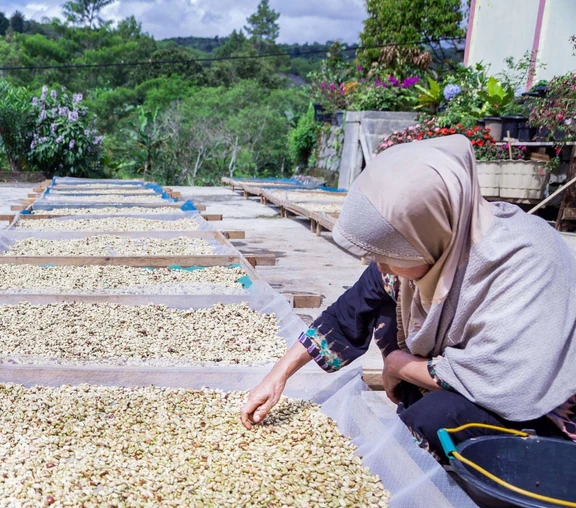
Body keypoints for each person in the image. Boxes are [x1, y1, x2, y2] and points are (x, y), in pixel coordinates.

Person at [241, 135, 576, 461]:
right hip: (476, 379)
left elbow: (503, 381)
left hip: (539, 412)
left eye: (392, 252)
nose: (380, 263)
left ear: (429, 229)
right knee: (387, 303)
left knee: (435, 417)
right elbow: (346, 314)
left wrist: (397, 364)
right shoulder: (439, 243)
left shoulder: (522, 260)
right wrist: (278, 376)